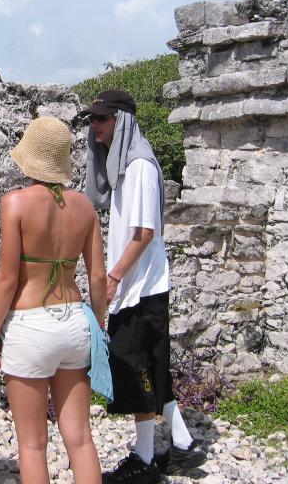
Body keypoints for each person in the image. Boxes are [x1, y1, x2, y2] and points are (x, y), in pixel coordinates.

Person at [82, 90, 206, 483]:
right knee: (151, 367)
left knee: (135, 370)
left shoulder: (138, 166)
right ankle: (182, 445)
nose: (95, 125)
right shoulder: (124, 165)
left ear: (121, 121)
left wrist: (114, 277)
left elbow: (144, 232)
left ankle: (145, 458)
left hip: (141, 287)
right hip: (140, 286)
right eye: (92, 119)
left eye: (102, 118)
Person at [0, 117, 107, 484]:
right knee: (80, 438)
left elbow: (7, 279)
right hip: (75, 321)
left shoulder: (15, 203)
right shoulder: (85, 206)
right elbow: (98, 277)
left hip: (31, 324)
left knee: (33, 444)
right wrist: (99, 325)